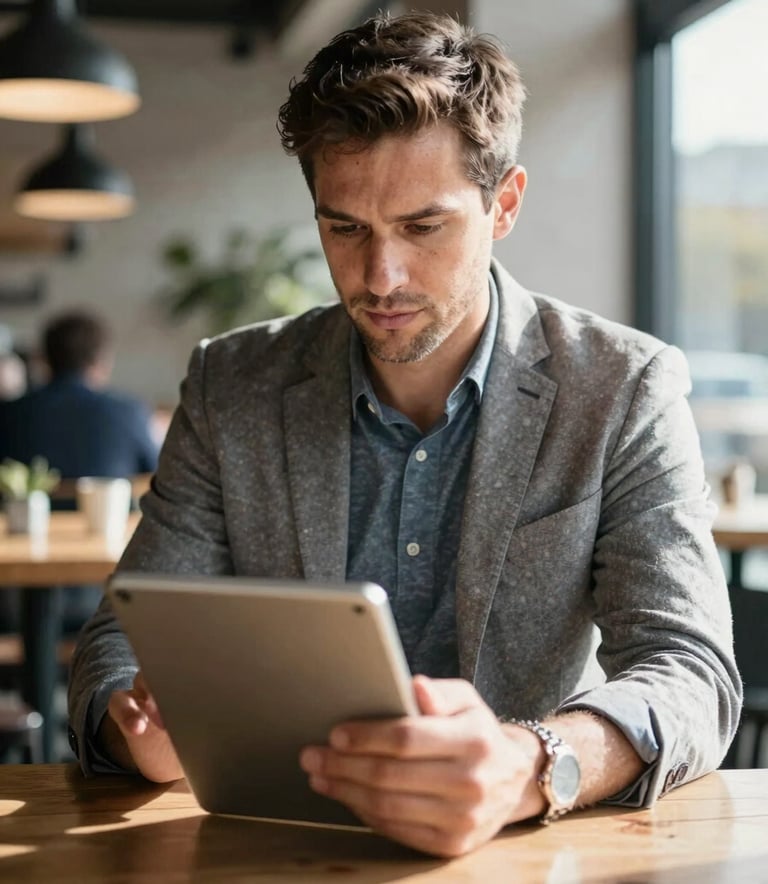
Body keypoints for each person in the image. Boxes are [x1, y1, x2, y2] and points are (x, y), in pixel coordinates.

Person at [68, 11, 741, 858]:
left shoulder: (621, 387)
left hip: (525, 851)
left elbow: (690, 670)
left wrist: (532, 762)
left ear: (503, 204)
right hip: (278, 843)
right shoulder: (232, 384)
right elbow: (119, 639)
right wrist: (139, 727)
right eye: (345, 228)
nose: (380, 277)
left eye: (423, 227)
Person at [0, 310, 160, 631]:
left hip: (12, 595)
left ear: (43, 360)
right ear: (103, 361)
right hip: (109, 593)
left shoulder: (9, 414)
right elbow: (158, 475)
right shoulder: (128, 412)